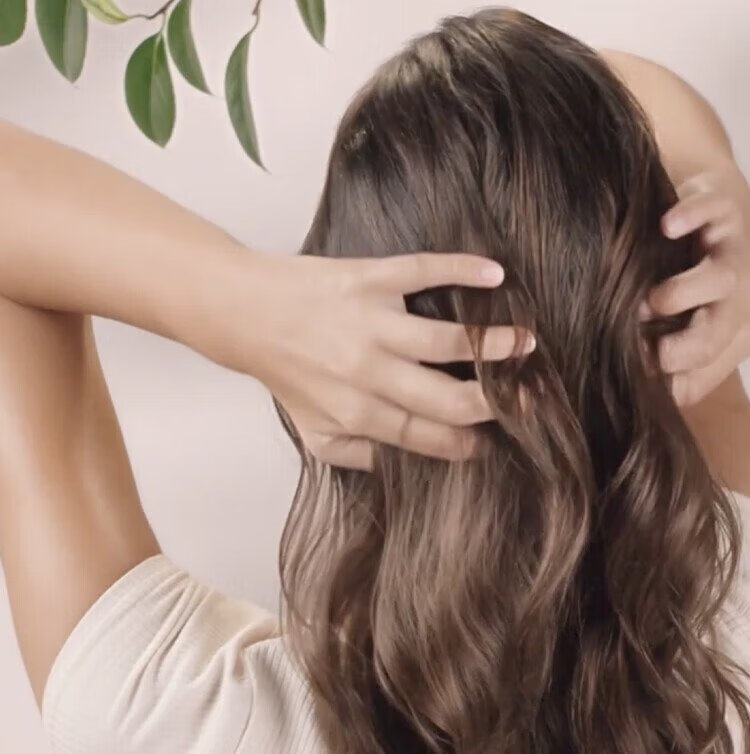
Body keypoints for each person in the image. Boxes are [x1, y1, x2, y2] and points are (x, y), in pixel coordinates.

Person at [0, 7, 748, 754]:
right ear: (663, 314)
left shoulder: (178, 721)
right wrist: (712, 190)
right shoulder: (730, 634)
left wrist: (246, 304)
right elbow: (618, 87)